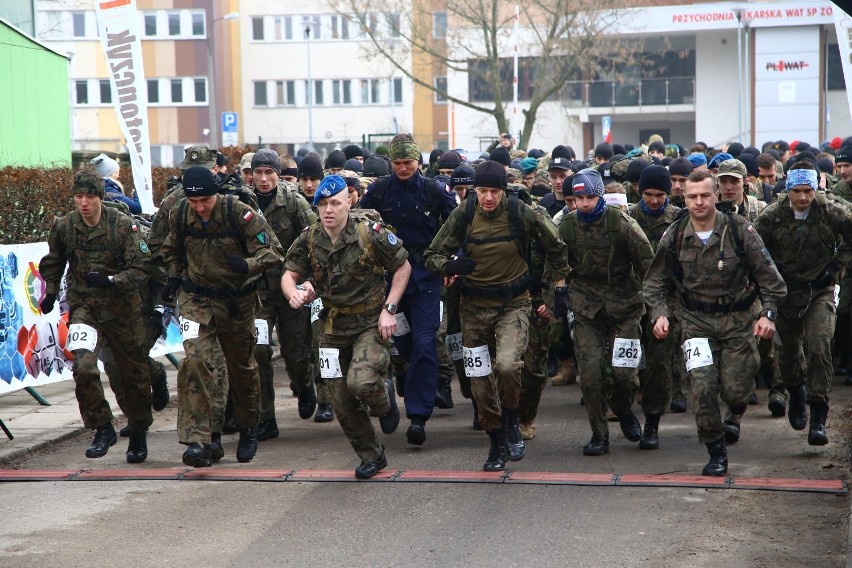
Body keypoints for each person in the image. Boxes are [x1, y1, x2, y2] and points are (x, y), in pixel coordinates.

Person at [425, 161, 569, 471]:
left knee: (507, 365)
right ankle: (495, 441)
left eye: (494, 191)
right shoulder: (463, 214)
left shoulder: (522, 213)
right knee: (479, 381)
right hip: (473, 308)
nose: (488, 198)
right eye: (482, 191)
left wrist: (556, 290)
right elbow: (432, 255)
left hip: (513, 304)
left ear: (503, 191)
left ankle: (512, 420)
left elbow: (557, 248)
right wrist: (448, 266)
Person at [643, 170, 786, 476]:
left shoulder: (739, 230)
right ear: (684, 197)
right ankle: (716, 450)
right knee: (702, 388)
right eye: (692, 196)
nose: (698, 202)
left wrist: (768, 314)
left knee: (736, 392)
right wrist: (659, 313)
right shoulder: (676, 234)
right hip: (695, 323)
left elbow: (770, 279)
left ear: (716, 195)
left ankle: (735, 412)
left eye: (705, 195)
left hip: (738, 321)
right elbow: (654, 283)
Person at [282, 175, 411, 479]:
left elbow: (402, 266)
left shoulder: (370, 234)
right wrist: (295, 293)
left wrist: (389, 309)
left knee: (361, 382)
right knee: (339, 397)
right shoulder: (310, 237)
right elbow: (289, 274)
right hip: (331, 327)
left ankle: (385, 397)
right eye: (322, 204)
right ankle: (371, 455)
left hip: (369, 322)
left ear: (348, 203)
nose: (328, 210)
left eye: (334, 203)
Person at [160, 167, 285, 467]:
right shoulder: (180, 214)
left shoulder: (239, 213)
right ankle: (200, 439)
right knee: (195, 362)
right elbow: (171, 250)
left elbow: (275, 252)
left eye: (205, 200)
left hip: (236, 303)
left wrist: (247, 264)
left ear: (214, 194)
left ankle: (248, 427)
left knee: (241, 367)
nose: (200, 208)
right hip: (197, 301)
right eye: (194, 202)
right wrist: (174, 277)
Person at [39, 170, 153, 462]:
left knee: (133, 375)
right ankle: (102, 427)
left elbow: (141, 269)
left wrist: (112, 281)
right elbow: (54, 260)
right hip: (85, 308)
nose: (84, 203)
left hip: (122, 311)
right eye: (79, 196)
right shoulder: (65, 226)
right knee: (84, 366)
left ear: (100, 197)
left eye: (90, 196)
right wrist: (51, 292)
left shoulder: (123, 226)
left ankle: (138, 430)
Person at [359, 133, 456, 446]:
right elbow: (360, 222)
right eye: (398, 163)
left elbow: (456, 226)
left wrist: (452, 262)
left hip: (426, 275)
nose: (403, 168)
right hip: (391, 279)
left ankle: (418, 415)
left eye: (409, 163)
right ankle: (406, 381)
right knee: (403, 345)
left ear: (419, 162)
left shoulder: (433, 189)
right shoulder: (378, 190)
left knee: (426, 342)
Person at [753, 163, 852, 446]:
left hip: (819, 291)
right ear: (788, 189)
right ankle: (796, 391)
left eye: (808, 191)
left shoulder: (829, 210)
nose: (802, 198)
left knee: (820, 346)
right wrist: (771, 267)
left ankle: (818, 413)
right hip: (785, 294)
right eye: (796, 191)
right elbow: (753, 246)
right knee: (788, 354)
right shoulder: (772, 215)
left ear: (815, 189)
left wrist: (835, 266)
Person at [558, 168, 654, 456]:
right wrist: (555, 298)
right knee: (590, 374)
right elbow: (555, 265)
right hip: (587, 308)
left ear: (599, 195)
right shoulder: (567, 227)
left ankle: (623, 409)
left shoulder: (621, 224)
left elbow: (648, 265)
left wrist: (655, 306)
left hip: (625, 306)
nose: (584, 204)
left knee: (625, 376)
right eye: (579, 198)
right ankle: (599, 435)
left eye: (589, 197)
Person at [249, 149, 318, 441]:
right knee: (260, 351)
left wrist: (309, 280)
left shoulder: (294, 202)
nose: (264, 179)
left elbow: (316, 239)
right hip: (257, 294)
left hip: (290, 290)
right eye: (259, 173)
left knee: (293, 352)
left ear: (278, 174)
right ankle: (267, 417)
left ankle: (304, 385)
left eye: (270, 173)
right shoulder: (243, 202)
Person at [628, 165, 683, 446]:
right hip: (628, 300)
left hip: (665, 300)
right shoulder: (627, 217)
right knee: (623, 362)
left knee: (659, 363)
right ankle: (624, 410)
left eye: (660, 195)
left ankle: (652, 421)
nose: (653, 200)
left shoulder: (679, 220)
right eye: (648, 193)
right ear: (638, 190)